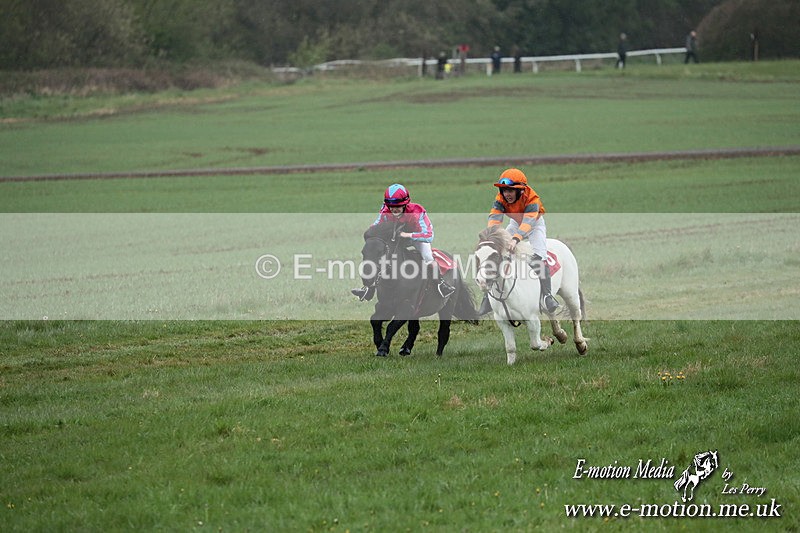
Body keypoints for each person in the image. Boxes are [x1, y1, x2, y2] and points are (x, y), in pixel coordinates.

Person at [477, 168, 559, 315]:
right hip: (515, 223)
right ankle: (487, 297)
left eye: (511, 190)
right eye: (504, 190)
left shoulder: (532, 199)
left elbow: (528, 223)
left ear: (521, 190)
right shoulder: (500, 199)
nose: (507, 194)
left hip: (534, 224)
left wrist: (515, 239)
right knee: (497, 253)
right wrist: (492, 237)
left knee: (539, 257)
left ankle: (547, 296)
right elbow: (495, 218)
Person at [352, 183, 455, 300]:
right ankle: (368, 288)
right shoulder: (385, 210)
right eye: (391, 207)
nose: (394, 210)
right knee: (378, 257)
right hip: (398, 238)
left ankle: (441, 285)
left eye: (398, 207)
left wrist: (408, 235)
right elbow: (376, 225)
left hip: (418, 238)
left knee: (427, 257)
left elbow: (428, 235)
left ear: (406, 204)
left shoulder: (417, 212)